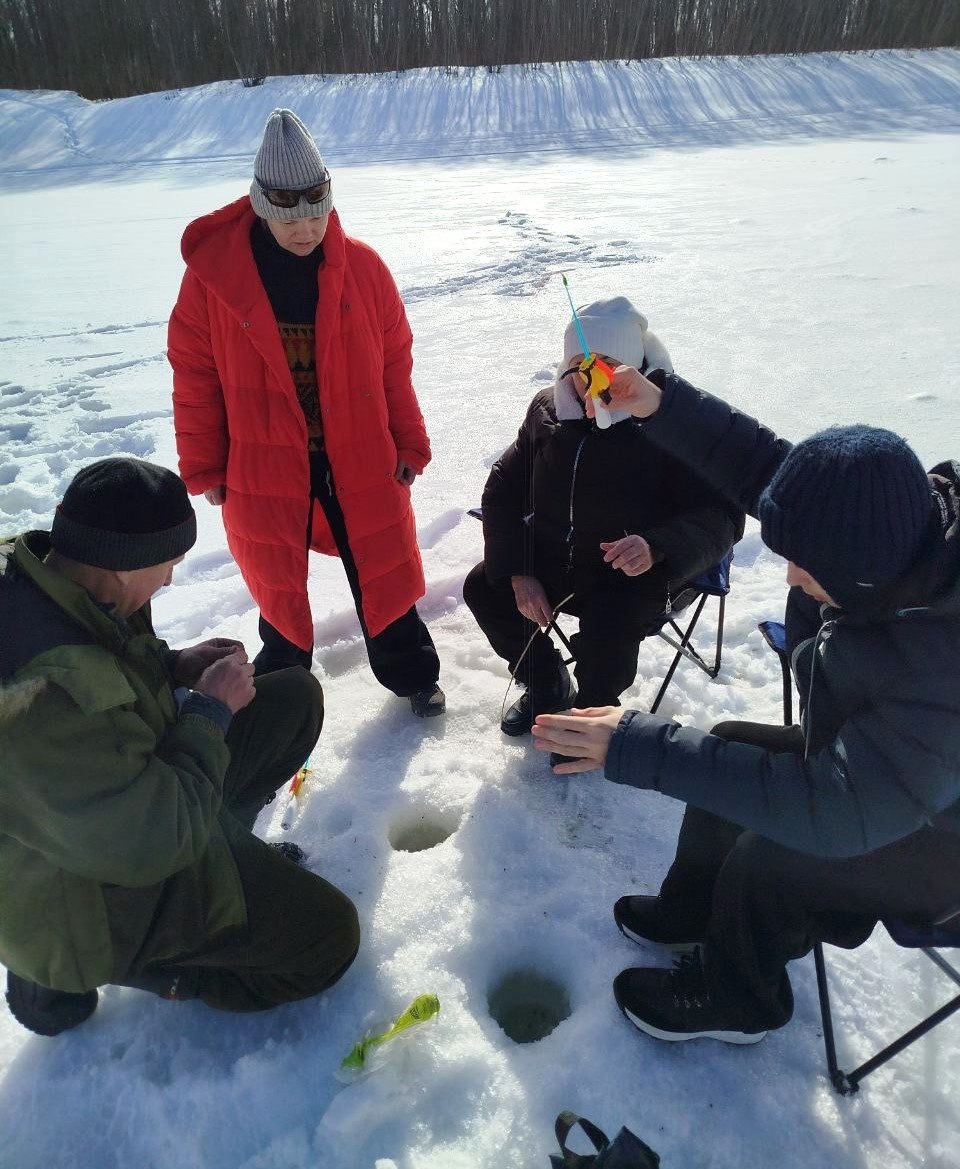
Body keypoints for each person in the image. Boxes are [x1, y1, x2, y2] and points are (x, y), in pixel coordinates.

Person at [532, 364, 960, 1046]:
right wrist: (661, 405)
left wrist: (635, 744)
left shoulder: (942, 671)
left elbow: (833, 811)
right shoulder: (890, 525)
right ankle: (693, 910)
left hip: (939, 844)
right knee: (731, 741)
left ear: (862, 579)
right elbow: (775, 473)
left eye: (806, 570)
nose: (788, 574)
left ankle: (741, 994)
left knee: (771, 857)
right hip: (886, 768)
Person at [0, 457, 360, 1037]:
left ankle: (223, 846)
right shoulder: (44, 702)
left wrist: (172, 666)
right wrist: (210, 713)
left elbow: (100, 660)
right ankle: (117, 967)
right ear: (121, 570)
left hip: (111, 803)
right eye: (167, 566)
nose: (169, 581)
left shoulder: (53, 574)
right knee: (328, 939)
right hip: (89, 886)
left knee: (292, 697)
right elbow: (152, 838)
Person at [168, 107, 444, 718]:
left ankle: (415, 676)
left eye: (317, 211)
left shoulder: (365, 269)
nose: (306, 228)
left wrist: (409, 442)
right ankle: (279, 700)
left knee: (384, 578)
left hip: (361, 454)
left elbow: (394, 364)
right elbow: (195, 377)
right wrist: (206, 468)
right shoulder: (215, 281)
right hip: (264, 462)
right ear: (263, 205)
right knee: (280, 592)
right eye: (290, 215)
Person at [463, 297, 742, 751]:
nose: (591, 377)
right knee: (483, 587)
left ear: (632, 366)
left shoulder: (673, 421)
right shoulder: (547, 411)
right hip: (554, 556)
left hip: (631, 571)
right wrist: (520, 570)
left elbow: (722, 513)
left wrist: (656, 546)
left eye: (608, 364)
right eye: (580, 364)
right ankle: (546, 681)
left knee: (609, 636)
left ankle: (592, 714)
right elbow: (503, 489)